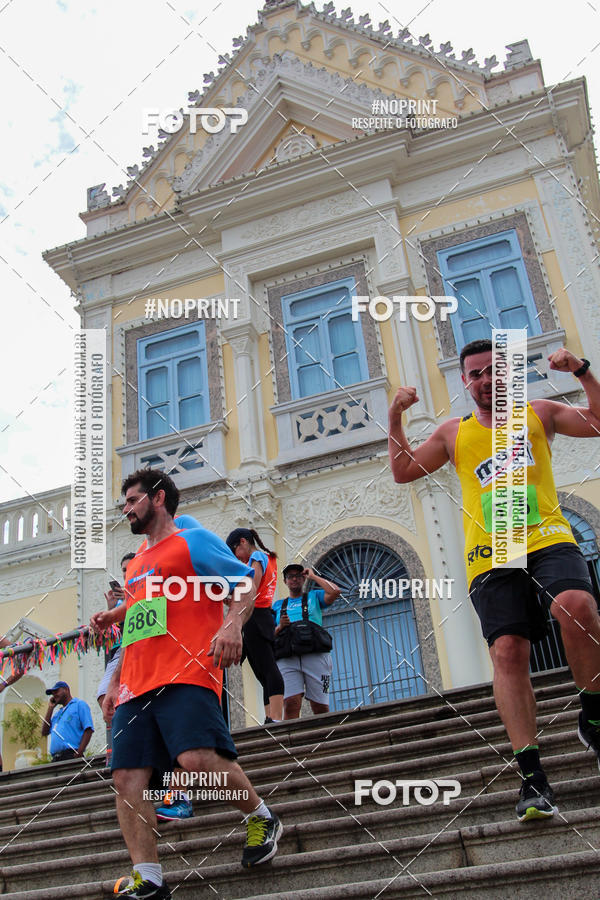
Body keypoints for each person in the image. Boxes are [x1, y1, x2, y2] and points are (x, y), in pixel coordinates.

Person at [388, 340, 600, 822]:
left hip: (546, 532)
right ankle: (532, 775)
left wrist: (582, 370)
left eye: (493, 371)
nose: (485, 380)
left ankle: (594, 714)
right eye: (475, 374)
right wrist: (396, 416)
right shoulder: (453, 434)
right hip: (491, 551)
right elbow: (403, 470)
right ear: (465, 381)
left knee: (577, 607)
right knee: (508, 651)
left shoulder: (539, 412)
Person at [103, 468, 283, 899]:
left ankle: (261, 816)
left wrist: (233, 627)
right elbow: (140, 621)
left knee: (197, 760)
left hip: (187, 670)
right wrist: (116, 681)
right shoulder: (137, 565)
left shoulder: (194, 541)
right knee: (127, 777)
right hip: (136, 684)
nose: (126, 509)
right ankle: (149, 878)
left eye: (132, 500)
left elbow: (243, 583)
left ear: (158, 498)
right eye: (123, 503)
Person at [226, 527, 284, 724]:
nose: (237, 558)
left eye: (235, 552)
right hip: (258, 615)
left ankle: (276, 716)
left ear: (243, 542)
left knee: (268, 667)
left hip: (257, 614)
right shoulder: (269, 557)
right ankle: (269, 715)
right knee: (261, 671)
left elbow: (253, 585)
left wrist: (240, 598)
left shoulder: (258, 556)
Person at [272, 564, 341, 719]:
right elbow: (269, 635)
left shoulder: (314, 596)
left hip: (315, 654)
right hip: (288, 657)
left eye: (298, 575)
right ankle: (293, 742)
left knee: (320, 706)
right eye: (290, 576)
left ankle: (324, 740)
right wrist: (280, 627)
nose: (294, 579)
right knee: (290, 704)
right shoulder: (277, 606)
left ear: (303, 578)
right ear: (285, 581)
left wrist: (313, 576)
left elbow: (335, 591)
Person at [95, 552, 135, 766]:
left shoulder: (146, 585)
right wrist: (112, 608)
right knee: (105, 695)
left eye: (131, 567)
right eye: (124, 569)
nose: (127, 572)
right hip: (120, 652)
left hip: (142, 648)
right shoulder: (122, 597)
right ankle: (121, 743)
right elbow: (112, 631)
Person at [41, 681, 94, 762]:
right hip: (55, 759)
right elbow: (44, 732)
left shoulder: (79, 704)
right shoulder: (57, 714)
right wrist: (50, 708)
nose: (54, 695)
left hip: (71, 755)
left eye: (56, 691)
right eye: (52, 693)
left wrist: (79, 752)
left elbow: (88, 729)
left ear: (66, 690)